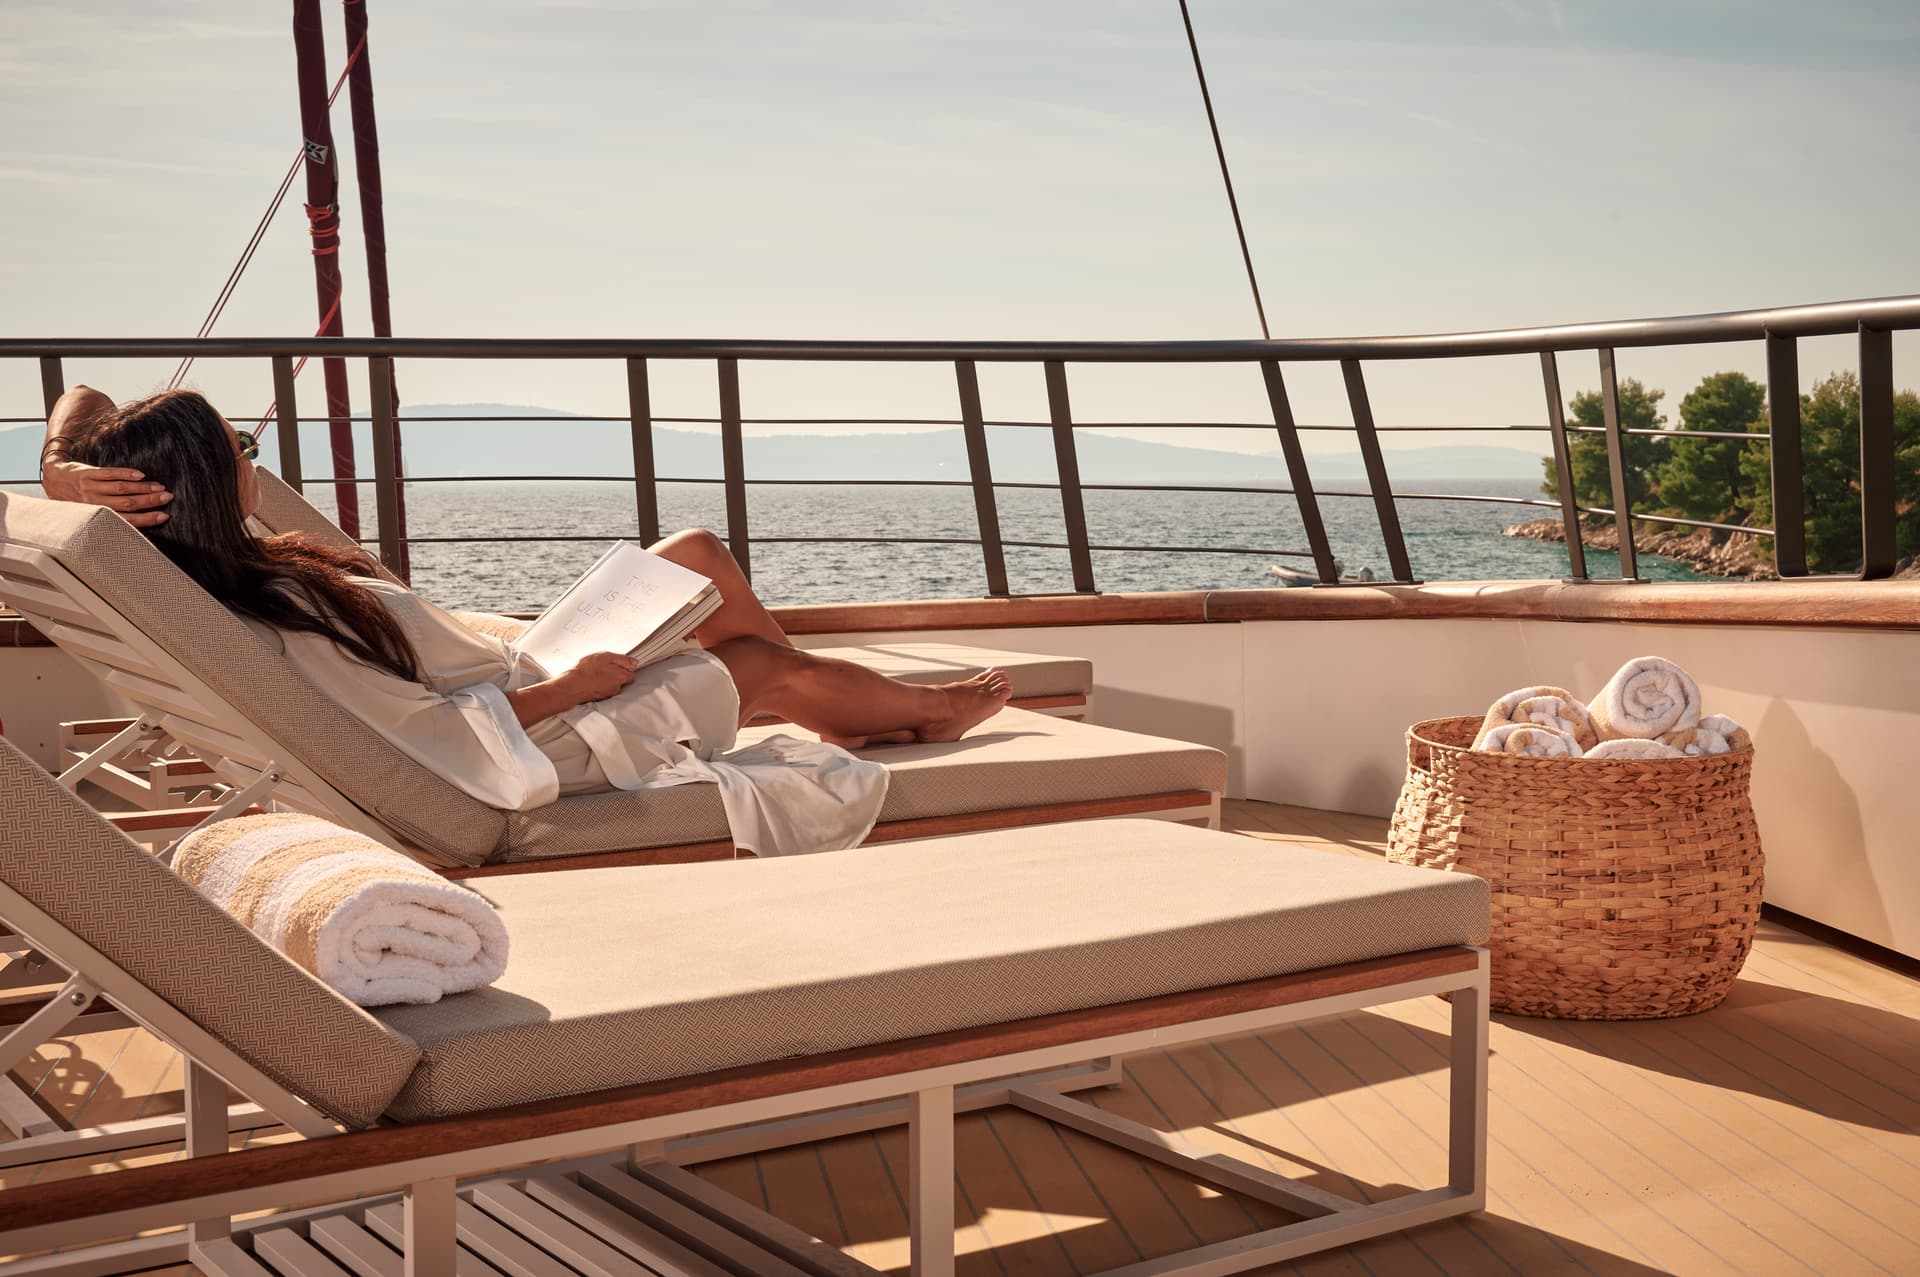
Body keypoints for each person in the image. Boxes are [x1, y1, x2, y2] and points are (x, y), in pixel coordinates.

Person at [54, 388, 1012, 856]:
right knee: (752, 657)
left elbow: (82, 401)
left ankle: (845, 704)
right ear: (211, 481)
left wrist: (63, 466)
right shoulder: (282, 609)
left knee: (696, 556)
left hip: (507, 674)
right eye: (242, 446)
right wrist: (579, 686)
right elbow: (417, 733)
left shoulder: (224, 563)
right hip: (537, 726)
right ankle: (904, 714)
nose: (254, 456)